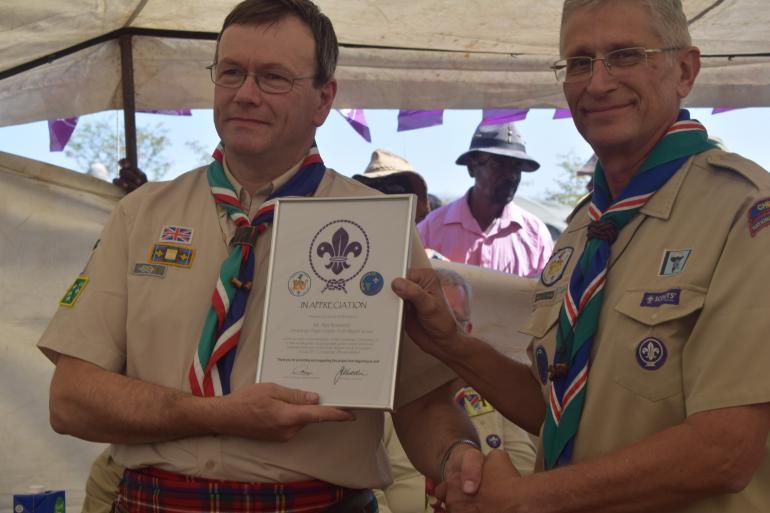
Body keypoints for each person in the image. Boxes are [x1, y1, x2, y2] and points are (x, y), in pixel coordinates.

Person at [38, 2, 484, 512]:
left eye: (273, 77)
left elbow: (421, 399)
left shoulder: (377, 224)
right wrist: (216, 414)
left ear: (324, 99)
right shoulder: (141, 215)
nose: (245, 94)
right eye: (231, 72)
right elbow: (70, 400)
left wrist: (456, 457)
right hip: (157, 501)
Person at [392, 0, 770, 512]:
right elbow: (558, 410)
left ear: (685, 71)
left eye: (625, 55)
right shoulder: (583, 230)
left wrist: (525, 498)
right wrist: (452, 345)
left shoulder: (745, 212)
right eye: (579, 62)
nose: (597, 82)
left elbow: (726, 449)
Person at [375, 268, 536, 513]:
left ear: (467, 330)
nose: (431, 324)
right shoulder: (385, 397)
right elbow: (372, 491)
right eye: (420, 316)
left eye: (452, 318)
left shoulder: (498, 396)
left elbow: (525, 474)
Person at [417, 121, 553, 277]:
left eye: (517, 167)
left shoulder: (535, 235)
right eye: (498, 164)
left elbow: (548, 295)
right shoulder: (431, 229)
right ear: (471, 167)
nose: (512, 175)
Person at [353, 148, 431, 223]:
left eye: (394, 188)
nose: (382, 196)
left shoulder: (428, 233)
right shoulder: (354, 232)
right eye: (373, 188)